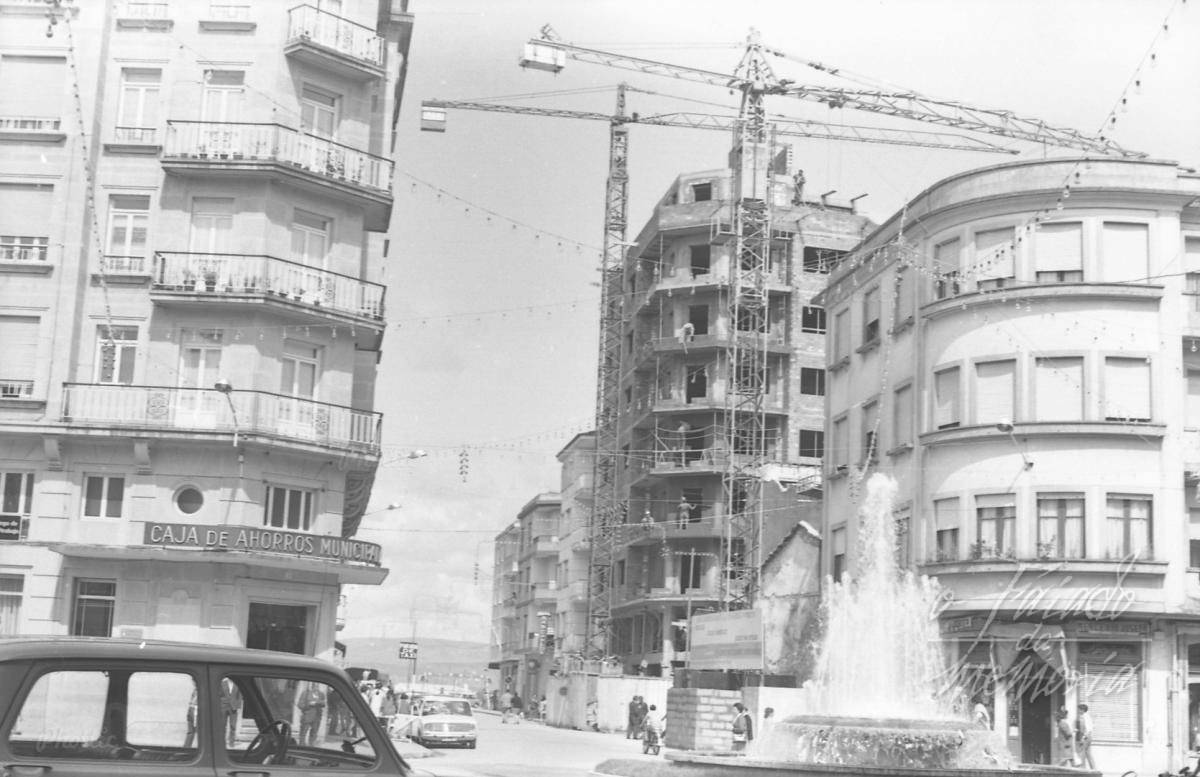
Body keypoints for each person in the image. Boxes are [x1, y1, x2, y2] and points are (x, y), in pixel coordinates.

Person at [298, 682, 327, 746]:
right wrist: (309, 704)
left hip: (317, 717)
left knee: (314, 733)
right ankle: (301, 746)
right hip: (307, 716)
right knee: (303, 733)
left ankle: (311, 746)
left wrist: (316, 702)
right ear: (312, 687)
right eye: (315, 686)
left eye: (317, 686)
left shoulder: (321, 694)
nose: (316, 688)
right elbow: (300, 705)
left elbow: (323, 703)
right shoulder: (305, 693)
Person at [220, 677, 242, 747]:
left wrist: (238, 705)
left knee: (233, 726)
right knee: (222, 726)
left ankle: (231, 743)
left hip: (233, 707)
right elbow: (218, 694)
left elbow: (239, 695)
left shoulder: (237, 684)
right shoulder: (222, 683)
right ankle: (222, 743)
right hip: (223, 707)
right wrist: (220, 704)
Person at [1076, 703, 1095, 770]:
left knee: (1082, 752)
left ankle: (1083, 768)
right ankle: (1093, 768)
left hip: (1086, 736)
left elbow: (1087, 729)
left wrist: (1083, 737)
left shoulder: (1084, 717)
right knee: (1088, 753)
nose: (1078, 711)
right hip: (1089, 736)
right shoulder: (1088, 716)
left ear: (1082, 710)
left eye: (1079, 709)